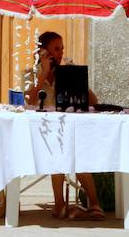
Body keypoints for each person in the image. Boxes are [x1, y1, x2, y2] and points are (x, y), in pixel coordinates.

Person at [24, 31, 104, 221]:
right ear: (43, 52)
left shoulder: (66, 73)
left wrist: (77, 78)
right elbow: (28, 102)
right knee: (59, 151)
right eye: (56, 49)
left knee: (74, 151)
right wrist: (44, 74)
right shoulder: (31, 75)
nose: (60, 53)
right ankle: (60, 204)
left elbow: (93, 101)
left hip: (63, 132)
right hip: (39, 133)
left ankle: (93, 203)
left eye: (62, 49)